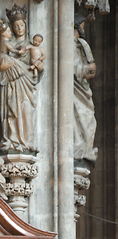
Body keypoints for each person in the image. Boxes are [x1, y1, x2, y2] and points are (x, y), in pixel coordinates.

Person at [0, 8, 40, 154]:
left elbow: (38, 67)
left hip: (25, 85)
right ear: (12, 28)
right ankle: (11, 140)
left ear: (26, 26)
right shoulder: (5, 45)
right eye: (16, 26)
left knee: (25, 110)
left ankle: (26, 142)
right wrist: (4, 67)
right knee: (11, 112)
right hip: (9, 87)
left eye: (22, 25)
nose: (19, 28)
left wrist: (38, 66)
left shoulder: (32, 46)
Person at [74, 13, 97, 164]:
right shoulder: (67, 44)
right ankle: (78, 148)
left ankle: (84, 149)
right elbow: (67, 68)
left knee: (90, 120)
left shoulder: (80, 45)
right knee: (85, 118)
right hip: (74, 91)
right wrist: (86, 68)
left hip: (82, 89)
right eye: (82, 27)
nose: (84, 30)